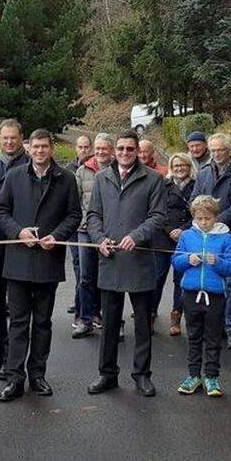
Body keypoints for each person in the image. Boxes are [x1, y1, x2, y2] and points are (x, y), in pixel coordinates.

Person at [0, 129, 82, 401]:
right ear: (28, 148)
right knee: (18, 322)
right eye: (36, 147)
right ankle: (14, 377)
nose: (40, 151)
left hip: (48, 258)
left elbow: (74, 214)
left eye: (45, 146)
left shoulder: (65, 179)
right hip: (18, 259)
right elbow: (1, 211)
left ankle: (38, 374)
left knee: (43, 322)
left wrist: (57, 235)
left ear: (51, 148)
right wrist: (18, 232)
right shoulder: (14, 176)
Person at [87, 130, 169, 397]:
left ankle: (142, 375)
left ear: (137, 151)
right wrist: (99, 239)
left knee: (143, 323)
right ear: (114, 150)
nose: (124, 153)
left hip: (139, 259)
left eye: (129, 149)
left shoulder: (154, 179)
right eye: (120, 149)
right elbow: (93, 214)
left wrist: (136, 236)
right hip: (110, 259)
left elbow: (158, 216)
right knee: (110, 322)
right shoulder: (101, 178)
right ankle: (107, 374)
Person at [172, 195, 231, 397]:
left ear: (216, 217)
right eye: (200, 218)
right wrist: (187, 259)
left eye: (208, 219)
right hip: (191, 294)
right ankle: (193, 375)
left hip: (215, 296)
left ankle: (211, 377)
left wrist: (217, 262)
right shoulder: (187, 236)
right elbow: (175, 261)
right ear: (194, 217)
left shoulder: (226, 238)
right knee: (193, 337)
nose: (203, 223)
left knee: (213, 338)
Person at [191, 132, 231, 349]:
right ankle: (212, 324)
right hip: (206, 233)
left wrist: (218, 221)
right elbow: (195, 198)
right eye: (213, 150)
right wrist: (202, 221)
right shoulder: (204, 171)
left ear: (229, 150)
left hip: (230, 232)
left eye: (221, 150)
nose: (217, 154)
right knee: (208, 279)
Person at [0, 119, 29, 380]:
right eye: (5, 138)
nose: (9, 142)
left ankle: (14, 357)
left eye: (14, 137)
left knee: (19, 306)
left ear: (21, 138)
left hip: (20, 244)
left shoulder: (29, 166)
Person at [73, 133, 114, 338]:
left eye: (104, 148)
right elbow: (76, 201)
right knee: (86, 277)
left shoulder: (118, 171)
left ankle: (110, 319)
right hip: (85, 232)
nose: (100, 152)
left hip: (110, 233)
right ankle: (85, 319)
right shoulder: (82, 171)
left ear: (111, 150)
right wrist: (84, 223)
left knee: (109, 278)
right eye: (97, 148)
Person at [163, 153, 198, 336]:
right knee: (157, 278)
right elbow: (158, 210)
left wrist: (183, 230)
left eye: (183, 165)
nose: (179, 168)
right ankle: (150, 314)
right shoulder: (164, 185)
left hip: (186, 238)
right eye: (176, 165)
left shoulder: (196, 185)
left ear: (188, 166)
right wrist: (170, 230)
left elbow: (198, 213)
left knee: (180, 280)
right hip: (163, 237)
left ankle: (176, 315)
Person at [66, 135, 92, 320]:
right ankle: (80, 304)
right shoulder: (69, 170)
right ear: (76, 148)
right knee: (78, 266)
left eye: (86, 147)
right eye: (80, 147)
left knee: (86, 270)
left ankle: (83, 306)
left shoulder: (95, 169)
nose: (83, 150)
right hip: (74, 227)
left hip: (89, 227)